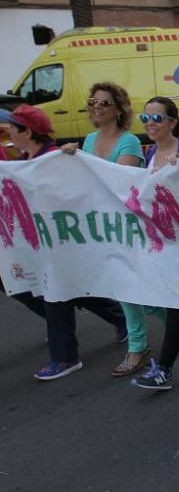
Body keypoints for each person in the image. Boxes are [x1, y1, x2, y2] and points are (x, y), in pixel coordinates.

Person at [0, 105, 127, 377]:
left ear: (27, 131)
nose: (7, 129)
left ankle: (66, 357)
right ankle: (122, 319)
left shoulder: (54, 159)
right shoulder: (27, 159)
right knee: (70, 290)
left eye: (12, 125)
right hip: (44, 243)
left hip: (61, 243)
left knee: (56, 293)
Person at [61, 83, 151, 376]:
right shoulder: (87, 141)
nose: (96, 107)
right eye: (93, 101)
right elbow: (82, 183)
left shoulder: (129, 143)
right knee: (126, 286)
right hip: (102, 226)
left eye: (104, 102)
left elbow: (120, 185)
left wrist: (84, 163)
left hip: (128, 225)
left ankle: (139, 345)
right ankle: (165, 321)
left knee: (132, 286)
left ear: (118, 109)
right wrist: (68, 160)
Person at [130, 97, 179, 390]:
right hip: (162, 241)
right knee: (176, 302)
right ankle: (165, 369)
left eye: (157, 118)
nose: (150, 125)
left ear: (172, 122)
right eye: (145, 119)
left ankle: (165, 368)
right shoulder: (148, 154)